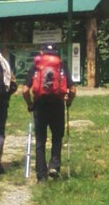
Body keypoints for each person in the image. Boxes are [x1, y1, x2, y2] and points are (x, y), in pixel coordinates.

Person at [22, 43, 76, 181]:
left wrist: (30, 104)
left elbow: (24, 90)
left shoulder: (36, 66)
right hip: (57, 104)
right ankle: (54, 166)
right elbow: (73, 90)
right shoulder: (61, 65)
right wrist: (68, 101)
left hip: (40, 104)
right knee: (57, 137)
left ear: (42, 53)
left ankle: (41, 175)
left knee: (40, 140)